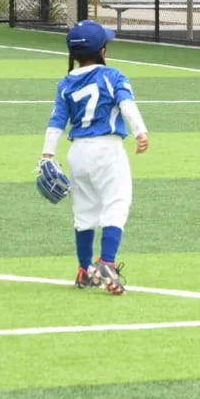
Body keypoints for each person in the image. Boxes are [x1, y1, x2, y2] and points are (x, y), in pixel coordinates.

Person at [41, 20, 150, 294]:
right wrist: (140, 132)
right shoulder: (112, 75)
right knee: (116, 203)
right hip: (107, 149)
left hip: (78, 152)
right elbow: (126, 104)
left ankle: (83, 270)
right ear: (102, 51)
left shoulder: (66, 82)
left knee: (84, 212)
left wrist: (47, 154)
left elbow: (57, 121)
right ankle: (107, 263)